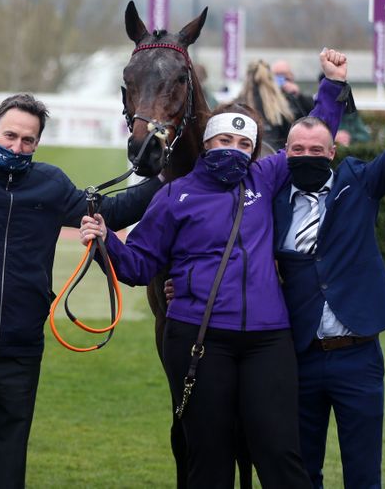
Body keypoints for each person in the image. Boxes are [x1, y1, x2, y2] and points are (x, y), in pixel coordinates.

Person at [81, 49, 349, 488]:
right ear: (206, 144)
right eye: (225, 142)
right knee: (208, 459)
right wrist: (104, 239)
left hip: (267, 340)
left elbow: (314, 138)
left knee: (281, 454)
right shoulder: (172, 195)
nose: (235, 151)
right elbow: (137, 264)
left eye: (245, 145)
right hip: (200, 340)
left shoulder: (264, 178)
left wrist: (333, 84)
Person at [0, 93, 163, 488]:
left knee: (10, 453)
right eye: (9, 136)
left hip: (21, 345)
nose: (16, 147)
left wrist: (164, 180)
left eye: (27, 141)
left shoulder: (50, 184)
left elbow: (113, 211)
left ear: (37, 143)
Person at [273, 52, 385, 488]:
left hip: (358, 354)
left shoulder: (359, 183)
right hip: (300, 356)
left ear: (332, 152)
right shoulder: (271, 201)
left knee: (364, 476)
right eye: (298, 150)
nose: (307, 155)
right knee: (302, 473)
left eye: (315, 150)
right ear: (285, 154)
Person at [237, 59, 302, 149]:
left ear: (247, 78)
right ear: (271, 78)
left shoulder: (238, 105)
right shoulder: (284, 105)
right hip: (277, 157)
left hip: (247, 156)